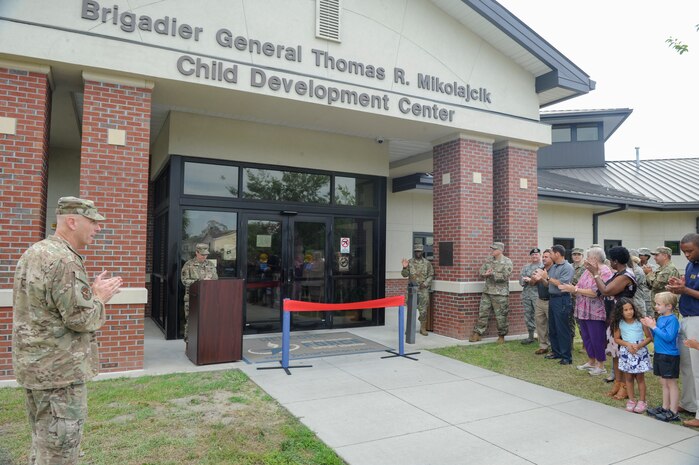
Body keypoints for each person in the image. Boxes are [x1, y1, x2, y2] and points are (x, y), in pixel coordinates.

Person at [12, 196, 123, 465]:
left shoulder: (36, 252)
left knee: (43, 443)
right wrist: (97, 296)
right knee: (59, 453)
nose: (98, 228)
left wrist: (89, 293)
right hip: (59, 376)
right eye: (93, 221)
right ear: (72, 221)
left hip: (37, 369)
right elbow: (81, 319)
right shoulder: (64, 261)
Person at [584, 246, 637, 399]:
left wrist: (595, 274)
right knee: (615, 352)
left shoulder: (626, 275)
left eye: (611, 260)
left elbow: (606, 290)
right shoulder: (617, 273)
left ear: (615, 261)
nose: (609, 263)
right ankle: (618, 384)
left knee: (623, 354)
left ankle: (626, 387)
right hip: (613, 317)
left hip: (623, 318)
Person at [559, 246, 612, 376]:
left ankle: (601, 365)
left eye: (588, 257)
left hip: (596, 311)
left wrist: (575, 290)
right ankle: (591, 361)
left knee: (597, 338)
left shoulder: (604, 271)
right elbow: (580, 285)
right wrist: (572, 288)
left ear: (594, 258)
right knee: (586, 337)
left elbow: (596, 292)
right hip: (583, 310)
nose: (586, 260)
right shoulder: (587, 271)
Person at [668, 233, 699, 427]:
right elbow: (689, 287)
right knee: (686, 366)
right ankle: (689, 403)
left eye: (690, 251)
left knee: (698, 368)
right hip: (685, 318)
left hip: (697, 319)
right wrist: (679, 286)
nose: (686, 255)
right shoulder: (690, 265)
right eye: (684, 252)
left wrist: (685, 290)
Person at [641, 292, 681, 422]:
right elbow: (657, 335)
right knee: (663, 382)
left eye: (659, 304)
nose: (656, 307)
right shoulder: (661, 318)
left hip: (669, 355)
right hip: (659, 353)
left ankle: (674, 411)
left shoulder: (672, 319)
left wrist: (654, 326)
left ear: (669, 306)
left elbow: (669, 337)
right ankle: (665, 407)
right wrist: (650, 326)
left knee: (671, 383)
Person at [612, 298, 652, 414]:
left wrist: (639, 346)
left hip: (639, 352)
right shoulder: (619, 323)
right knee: (628, 378)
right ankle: (631, 400)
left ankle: (642, 401)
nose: (629, 312)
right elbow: (617, 339)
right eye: (626, 310)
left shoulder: (640, 321)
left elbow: (649, 337)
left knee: (640, 378)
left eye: (631, 309)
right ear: (621, 311)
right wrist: (628, 344)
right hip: (627, 353)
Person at [469, 242, 513, 343]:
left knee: (501, 316)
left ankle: (501, 336)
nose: (492, 251)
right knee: (482, 313)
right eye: (492, 249)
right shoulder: (489, 260)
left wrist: (492, 273)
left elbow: (505, 276)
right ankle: (478, 333)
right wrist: (485, 274)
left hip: (500, 293)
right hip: (487, 292)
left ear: (500, 250)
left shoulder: (507, 261)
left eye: (494, 249)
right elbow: (481, 272)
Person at [540, 244, 574, 364]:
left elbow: (561, 284)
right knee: (553, 328)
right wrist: (541, 278)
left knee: (562, 328)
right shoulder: (554, 267)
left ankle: (566, 357)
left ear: (557, 254)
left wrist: (547, 278)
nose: (550, 256)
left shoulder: (567, 267)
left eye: (552, 253)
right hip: (553, 299)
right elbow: (548, 283)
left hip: (562, 299)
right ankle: (556, 352)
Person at [181, 243, 218, 343]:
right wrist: (200, 282)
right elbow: (184, 281)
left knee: (207, 320)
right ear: (196, 252)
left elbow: (215, 278)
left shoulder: (210, 264)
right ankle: (189, 344)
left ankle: (205, 342)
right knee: (191, 320)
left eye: (206, 254)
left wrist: (210, 281)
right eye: (202, 254)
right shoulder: (188, 264)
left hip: (207, 298)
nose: (204, 256)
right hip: (192, 298)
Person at [401, 243, 434, 336]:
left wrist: (426, 283)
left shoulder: (427, 263)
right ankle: (409, 328)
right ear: (414, 252)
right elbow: (404, 275)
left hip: (423, 290)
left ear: (422, 251)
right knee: (411, 310)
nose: (418, 253)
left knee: (423, 310)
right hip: (412, 290)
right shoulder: (410, 262)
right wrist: (404, 267)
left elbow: (431, 275)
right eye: (416, 251)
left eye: (419, 251)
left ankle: (422, 328)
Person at [645, 246, 680, 316]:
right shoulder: (660, 269)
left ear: (665, 256)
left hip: (667, 310)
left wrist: (649, 273)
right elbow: (649, 286)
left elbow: (656, 285)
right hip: (661, 308)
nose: (654, 257)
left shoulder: (669, 269)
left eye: (657, 255)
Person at [531, 249, 553, 355]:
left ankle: (554, 346)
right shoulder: (539, 269)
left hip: (551, 301)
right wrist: (534, 279)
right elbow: (532, 283)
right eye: (543, 257)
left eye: (546, 257)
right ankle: (543, 346)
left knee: (552, 325)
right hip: (540, 300)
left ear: (552, 257)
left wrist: (542, 278)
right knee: (540, 324)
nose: (544, 258)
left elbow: (548, 285)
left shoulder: (554, 270)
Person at [519, 248, 541, 344]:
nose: (534, 256)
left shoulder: (543, 266)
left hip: (538, 295)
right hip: (527, 295)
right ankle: (530, 336)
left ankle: (542, 337)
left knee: (540, 317)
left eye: (536, 255)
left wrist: (531, 279)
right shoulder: (526, 267)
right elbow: (521, 280)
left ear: (539, 255)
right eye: (533, 255)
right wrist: (525, 280)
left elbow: (544, 281)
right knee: (528, 315)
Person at [570, 247, 586, 346]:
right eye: (574, 254)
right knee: (569, 321)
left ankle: (585, 344)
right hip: (569, 298)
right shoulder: (569, 267)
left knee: (581, 322)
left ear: (582, 256)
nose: (576, 256)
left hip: (580, 298)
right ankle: (570, 343)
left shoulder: (585, 268)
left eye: (578, 254)